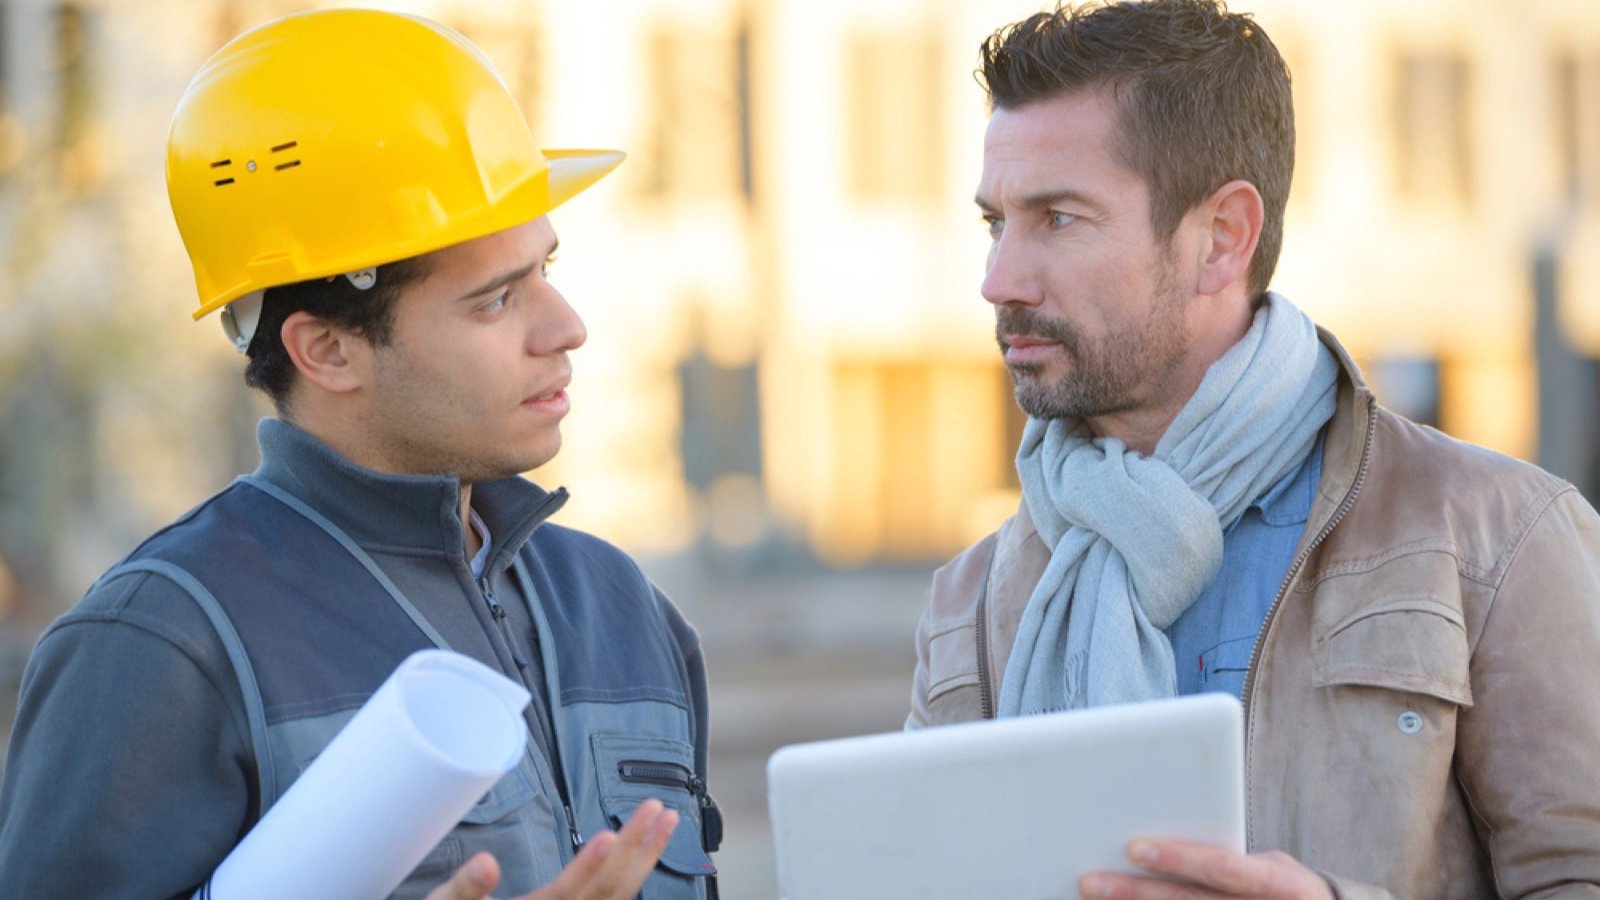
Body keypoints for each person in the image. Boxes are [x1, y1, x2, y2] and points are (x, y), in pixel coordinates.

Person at [0, 10, 719, 900]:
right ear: (328, 350)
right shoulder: (162, 646)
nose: (566, 327)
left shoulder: (619, 606)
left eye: (547, 270)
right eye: (495, 300)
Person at [909, 1, 1600, 897]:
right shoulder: (971, 600)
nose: (999, 280)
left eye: (1060, 219)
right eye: (996, 223)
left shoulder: (1497, 538)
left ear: (1222, 239)